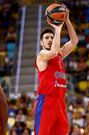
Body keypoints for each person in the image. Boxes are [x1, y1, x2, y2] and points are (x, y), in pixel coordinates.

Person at [34, 5, 78, 135]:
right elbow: (53, 52)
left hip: (60, 102)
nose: (50, 39)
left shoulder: (59, 54)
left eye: (51, 37)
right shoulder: (42, 55)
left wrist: (67, 21)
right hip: (46, 101)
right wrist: (57, 29)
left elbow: (74, 41)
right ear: (41, 43)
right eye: (46, 38)